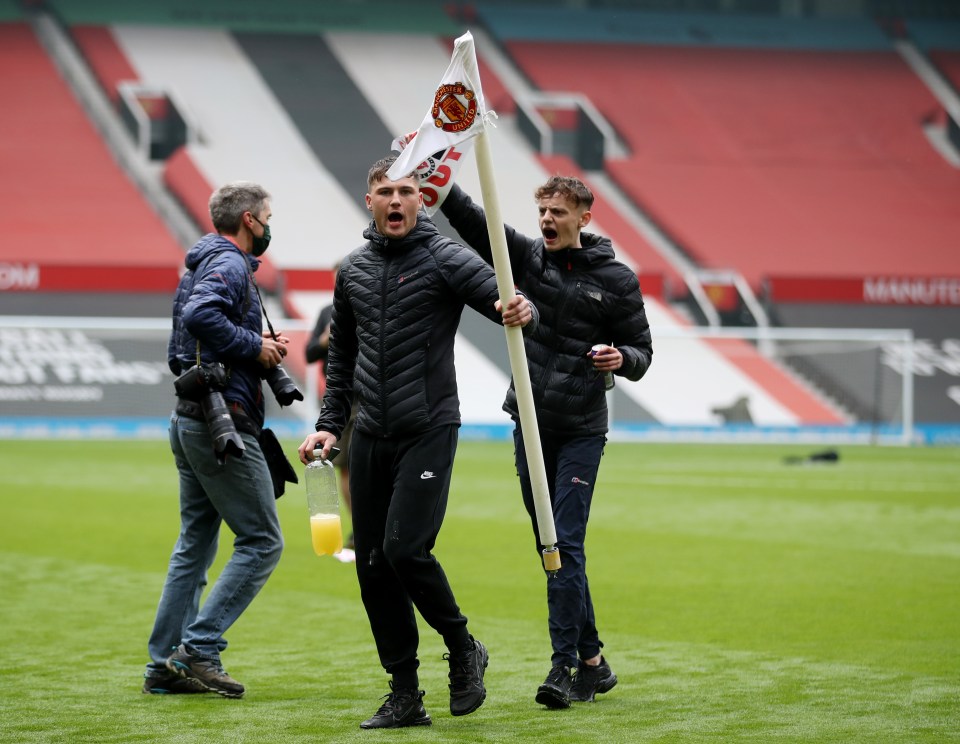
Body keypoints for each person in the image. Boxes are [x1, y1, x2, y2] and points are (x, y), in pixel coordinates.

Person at [297, 155, 538, 729]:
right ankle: (404, 693)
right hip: (369, 434)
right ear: (370, 201)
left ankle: (463, 649)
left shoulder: (446, 257)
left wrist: (518, 307)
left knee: (405, 551)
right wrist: (329, 423)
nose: (398, 201)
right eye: (387, 192)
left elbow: (501, 299)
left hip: (429, 427)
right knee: (373, 565)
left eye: (408, 191)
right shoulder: (352, 270)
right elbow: (341, 357)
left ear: (421, 200)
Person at [440, 177, 653, 708]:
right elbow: (476, 224)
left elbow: (642, 353)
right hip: (530, 424)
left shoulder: (618, 280)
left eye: (558, 211)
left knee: (565, 546)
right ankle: (594, 663)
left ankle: (562, 667)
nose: (547, 220)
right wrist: (439, 183)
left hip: (582, 428)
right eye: (542, 210)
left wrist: (621, 359)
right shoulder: (527, 259)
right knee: (550, 549)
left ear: (584, 215)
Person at [143, 182, 288, 698]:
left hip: (190, 417)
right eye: (268, 217)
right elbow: (201, 317)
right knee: (263, 541)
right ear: (250, 219)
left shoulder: (203, 263)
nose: (271, 226)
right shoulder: (229, 266)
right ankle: (199, 650)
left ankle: (163, 664)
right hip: (220, 420)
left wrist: (254, 347)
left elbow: (190, 335)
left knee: (195, 545)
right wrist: (256, 347)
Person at [305, 264, 355, 550]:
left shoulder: (370, 305)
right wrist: (325, 340)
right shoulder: (327, 313)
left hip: (368, 393)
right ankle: (360, 530)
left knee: (367, 467)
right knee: (346, 468)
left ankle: (369, 529)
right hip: (339, 397)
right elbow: (310, 352)